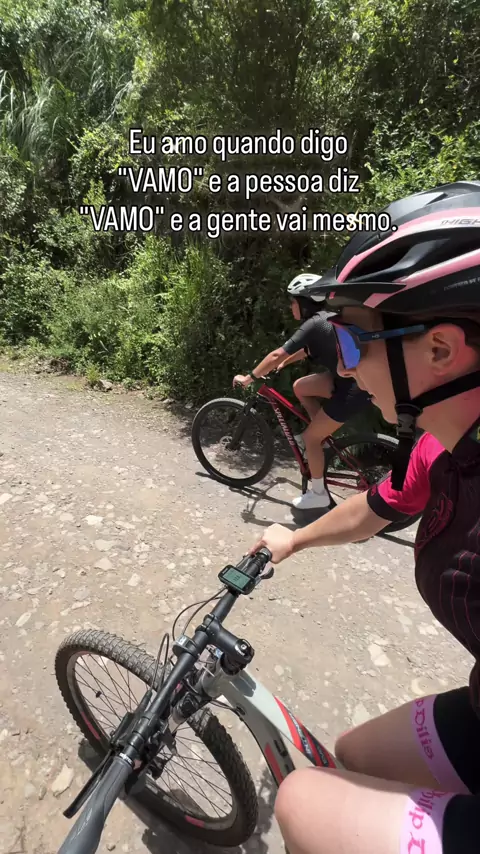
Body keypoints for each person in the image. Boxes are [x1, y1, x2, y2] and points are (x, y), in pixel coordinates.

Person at [249, 181, 480, 853]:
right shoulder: (441, 445)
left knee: (302, 799)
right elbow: (379, 505)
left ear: (440, 350)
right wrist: (294, 539)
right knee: (351, 753)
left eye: (354, 343)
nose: (345, 367)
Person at [233, 274, 371, 510]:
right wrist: (285, 363)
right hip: (349, 380)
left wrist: (249, 378)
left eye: (293, 302)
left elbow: (276, 354)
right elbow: (307, 350)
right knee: (301, 387)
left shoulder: (314, 324)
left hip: (354, 389)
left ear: (304, 302)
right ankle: (322, 440)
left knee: (310, 438)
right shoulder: (325, 319)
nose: (291, 307)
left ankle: (318, 493)